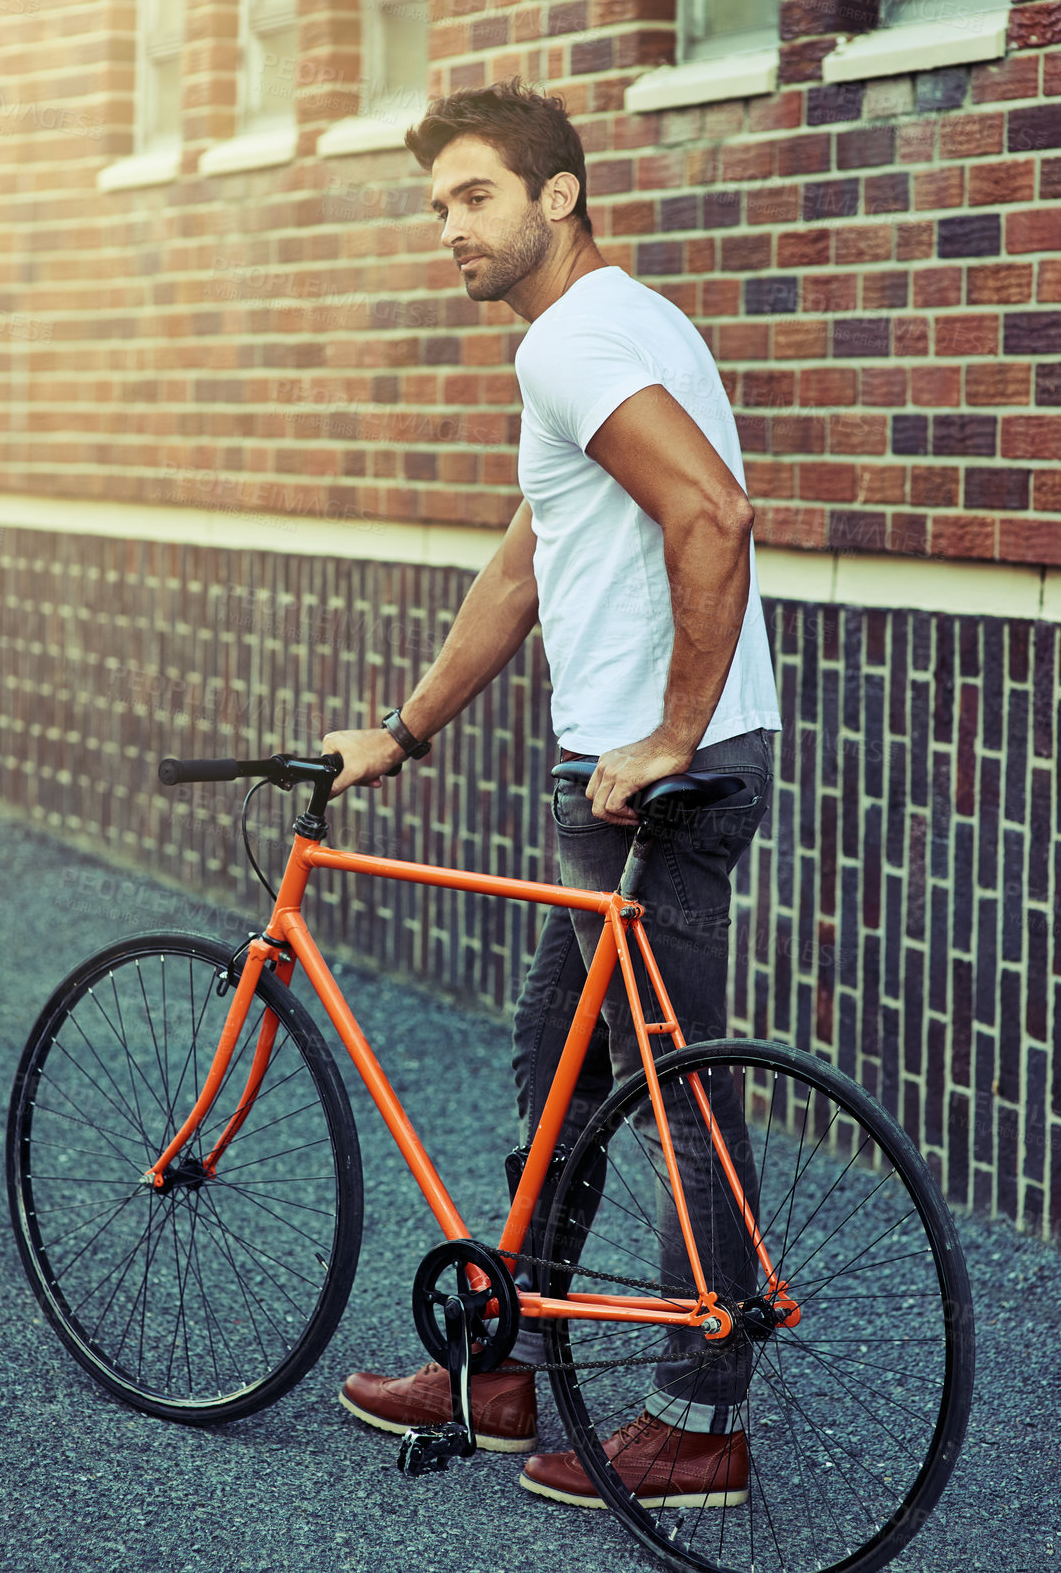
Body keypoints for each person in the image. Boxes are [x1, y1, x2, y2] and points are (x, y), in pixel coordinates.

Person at [321, 79, 781, 1509]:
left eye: (473, 197)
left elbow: (713, 514)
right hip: (621, 780)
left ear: (557, 197)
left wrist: (670, 736)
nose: (445, 228)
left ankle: (696, 1422)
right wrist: (402, 729)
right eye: (436, 204)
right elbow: (524, 568)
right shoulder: (613, 329)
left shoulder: (577, 341)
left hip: (649, 787)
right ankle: (510, 1357)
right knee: (558, 1064)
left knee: (671, 1094)